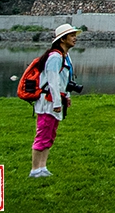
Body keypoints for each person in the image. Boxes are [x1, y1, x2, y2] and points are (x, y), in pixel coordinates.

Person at [30, 23, 79, 178]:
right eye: (71, 36)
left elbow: (64, 80)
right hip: (48, 102)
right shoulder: (55, 57)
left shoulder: (65, 56)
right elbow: (52, 82)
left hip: (56, 100)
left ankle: (43, 167)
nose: (74, 39)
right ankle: (35, 169)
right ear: (62, 39)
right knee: (43, 134)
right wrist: (57, 103)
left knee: (50, 135)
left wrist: (67, 97)